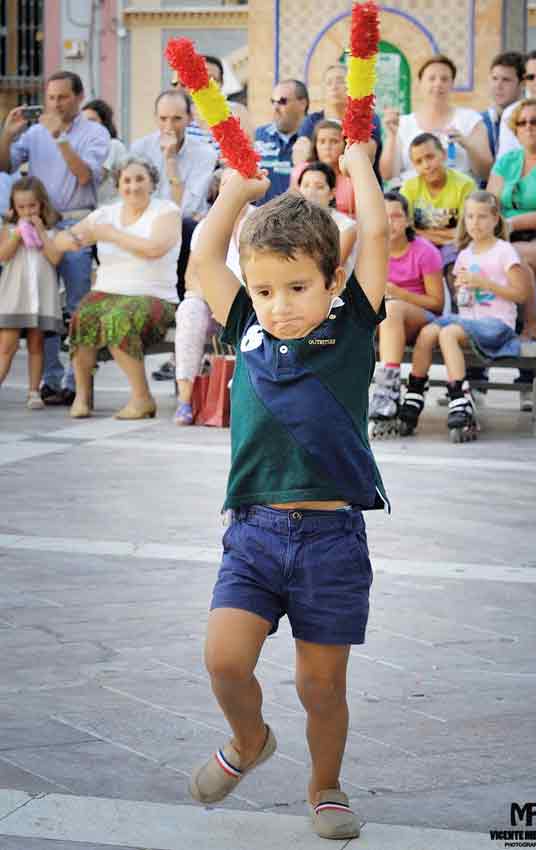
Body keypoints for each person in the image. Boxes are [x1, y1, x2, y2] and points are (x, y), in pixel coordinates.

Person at [188, 142, 390, 840]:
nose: (279, 306)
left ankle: (325, 786)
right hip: (252, 534)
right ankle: (248, 741)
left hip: (331, 541)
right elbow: (203, 261)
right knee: (223, 660)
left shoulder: (354, 326)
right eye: (266, 290)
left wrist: (359, 165)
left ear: (332, 280)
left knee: (319, 687)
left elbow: (378, 232)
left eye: (297, 288)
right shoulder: (245, 326)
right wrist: (235, 192)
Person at [0, 70, 110, 405]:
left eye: (62, 97)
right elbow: (4, 167)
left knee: (77, 306)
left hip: (75, 226)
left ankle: (76, 382)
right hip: (38, 229)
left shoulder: (95, 132)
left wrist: (61, 137)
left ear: (78, 96)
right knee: (42, 308)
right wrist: (6, 136)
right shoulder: (34, 133)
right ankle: (49, 379)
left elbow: (82, 175)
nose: (55, 103)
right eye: (51, 97)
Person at [54, 156, 181, 420]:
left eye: (139, 179)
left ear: (152, 183)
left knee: (117, 319)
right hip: (107, 290)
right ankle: (81, 395)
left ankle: (141, 398)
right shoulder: (105, 214)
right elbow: (61, 241)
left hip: (153, 294)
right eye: (127, 180)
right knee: (83, 317)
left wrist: (110, 235)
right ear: (118, 185)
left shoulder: (166, 211)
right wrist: (76, 238)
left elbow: (154, 249)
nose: (133, 186)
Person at [398, 191, 528, 440]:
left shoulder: (505, 251)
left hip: (497, 324)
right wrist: (463, 292)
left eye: (482, 217)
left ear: (495, 219)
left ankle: (460, 396)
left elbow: (521, 294)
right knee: (428, 332)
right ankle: (414, 392)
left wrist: (484, 283)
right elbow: (461, 298)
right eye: (469, 217)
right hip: (469, 321)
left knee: (447, 333)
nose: (475, 223)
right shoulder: (465, 254)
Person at [487, 97, 536, 409]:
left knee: (513, 260)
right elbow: (488, 203)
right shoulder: (506, 161)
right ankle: (488, 357)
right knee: (490, 260)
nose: (530, 127)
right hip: (511, 240)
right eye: (523, 122)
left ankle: (532, 332)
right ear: (515, 129)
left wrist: (510, 222)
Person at [174, 168, 254, 426]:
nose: (230, 191)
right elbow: (191, 277)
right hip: (212, 302)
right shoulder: (206, 227)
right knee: (190, 310)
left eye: (237, 184)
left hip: (250, 300)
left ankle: (247, 397)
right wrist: (213, 299)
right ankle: (185, 400)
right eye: (225, 186)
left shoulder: (261, 221)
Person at [130, 89, 217, 301]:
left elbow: (188, 206)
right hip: (146, 221)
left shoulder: (205, 154)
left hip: (183, 226)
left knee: (187, 226)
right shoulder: (140, 148)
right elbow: (134, 197)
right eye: (163, 119)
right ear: (155, 119)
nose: (169, 127)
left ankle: (179, 296)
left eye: (177, 119)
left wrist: (170, 162)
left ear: (189, 118)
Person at [368, 191, 443, 434]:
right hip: (382, 323)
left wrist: (398, 293)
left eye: (396, 216)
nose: (390, 223)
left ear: (409, 220)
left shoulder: (424, 251)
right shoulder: (371, 250)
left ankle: (387, 389)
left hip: (419, 320)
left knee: (391, 308)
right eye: (384, 216)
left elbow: (436, 304)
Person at [380, 54, 492, 186]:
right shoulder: (403, 124)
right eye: (431, 78)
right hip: (413, 200)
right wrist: (392, 136)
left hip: (459, 199)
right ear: (420, 84)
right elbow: (387, 175)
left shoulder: (470, 120)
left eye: (445, 79)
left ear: (452, 84)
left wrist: (467, 145)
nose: (438, 83)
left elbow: (486, 173)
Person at [0, 177, 64, 407]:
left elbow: (55, 257)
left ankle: (33, 391)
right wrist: (17, 235)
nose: (27, 212)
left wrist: (41, 232)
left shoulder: (52, 232)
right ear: (14, 208)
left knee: (37, 344)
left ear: (41, 205)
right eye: (21, 207)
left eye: (32, 206)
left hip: (40, 298)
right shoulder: (8, 230)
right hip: (14, 298)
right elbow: (3, 255)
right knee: (7, 346)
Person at [401, 132, 475, 276]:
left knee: (454, 262)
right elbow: (405, 230)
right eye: (419, 161)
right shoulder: (409, 188)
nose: (426, 165)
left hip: (456, 248)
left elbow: (464, 234)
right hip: (420, 248)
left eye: (430, 157)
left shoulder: (465, 185)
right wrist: (444, 236)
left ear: (443, 154)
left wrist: (421, 232)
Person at [293, 64, 382, 177]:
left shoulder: (367, 118)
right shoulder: (312, 121)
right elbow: (299, 157)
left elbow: (366, 157)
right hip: (322, 186)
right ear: (323, 90)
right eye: (329, 83)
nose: (334, 86)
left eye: (340, 81)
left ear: (353, 86)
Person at [296, 161, 357, 277]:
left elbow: (331, 269)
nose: (311, 192)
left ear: (332, 193)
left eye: (319, 187)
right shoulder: (291, 223)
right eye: (306, 185)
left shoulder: (346, 226)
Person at [254, 79, 309, 204]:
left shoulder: (317, 138)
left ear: (302, 104)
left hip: (300, 219)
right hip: (260, 219)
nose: (275, 107)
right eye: (272, 102)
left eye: (282, 101)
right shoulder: (258, 136)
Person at [292, 119, 356, 217]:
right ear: (315, 145)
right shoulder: (302, 171)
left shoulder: (353, 175)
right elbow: (291, 207)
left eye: (334, 141)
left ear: (345, 145)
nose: (327, 147)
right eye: (322, 142)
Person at [82, 99, 127, 205]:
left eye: (92, 121)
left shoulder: (112, 145)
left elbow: (97, 177)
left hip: (112, 208)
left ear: (104, 123)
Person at [481, 52, 525, 160]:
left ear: (522, 84)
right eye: (494, 79)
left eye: (506, 80)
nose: (498, 86)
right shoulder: (480, 121)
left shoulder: (532, 121)